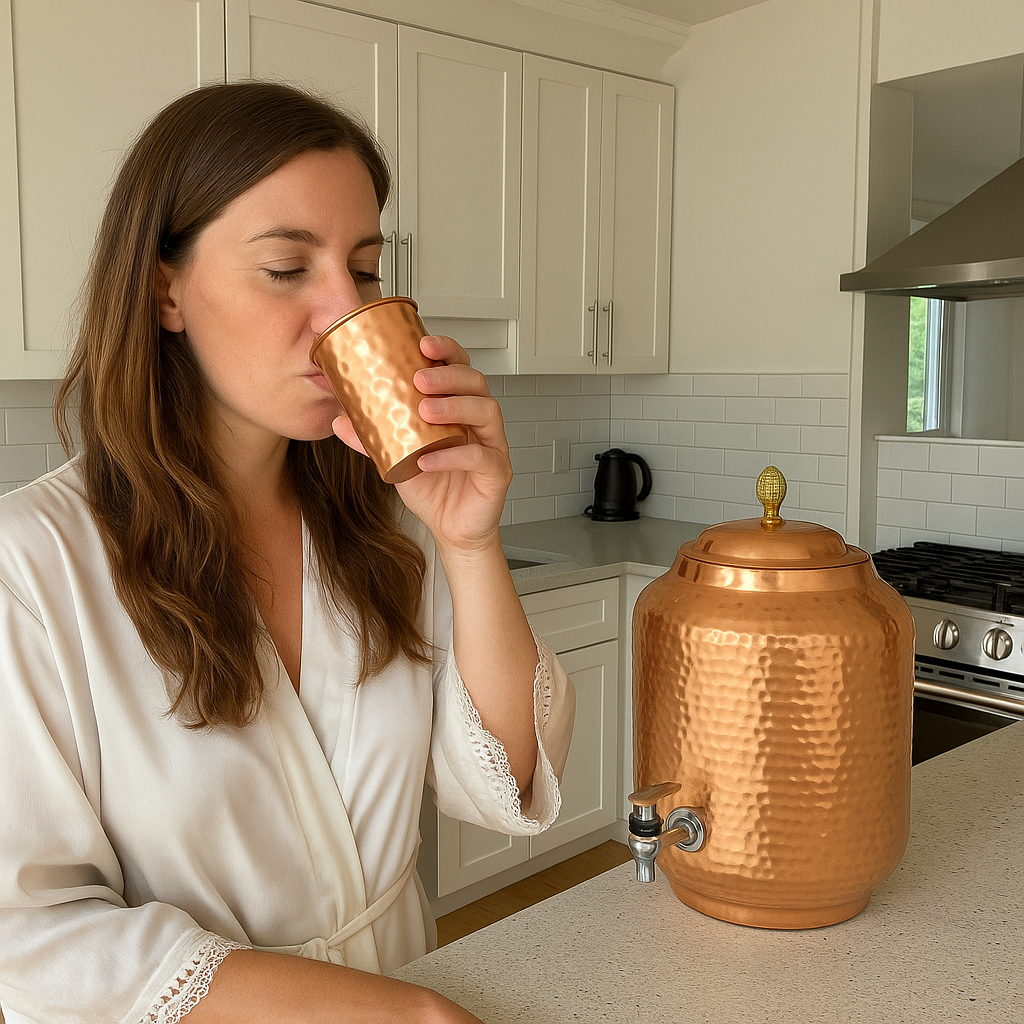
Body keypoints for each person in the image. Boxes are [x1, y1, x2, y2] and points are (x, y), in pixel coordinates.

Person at [0, 81, 575, 1024]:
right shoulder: (32, 566)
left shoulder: (385, 534)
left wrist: (470, 543)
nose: (342, 314)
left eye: (364, 268)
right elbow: (26, 934)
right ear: (164, 290)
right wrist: (402, 1014)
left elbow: (501, 783)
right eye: (286, 269)